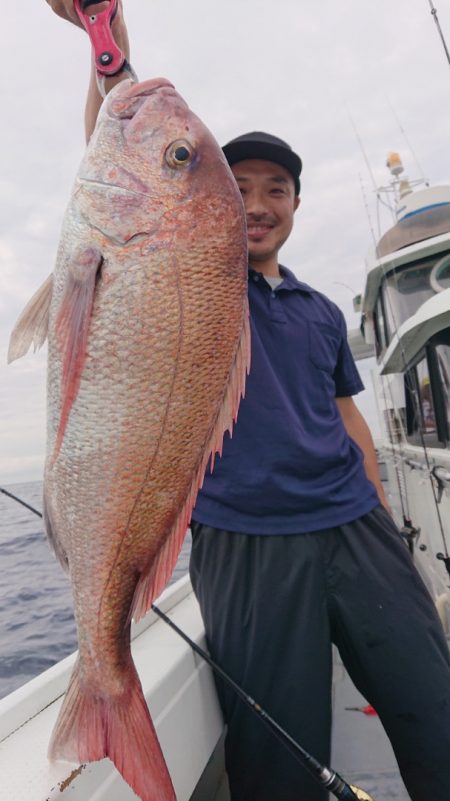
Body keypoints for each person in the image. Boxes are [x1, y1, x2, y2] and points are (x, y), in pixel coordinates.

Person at [46, 4, 450, 800]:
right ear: (216, 208)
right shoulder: (193, 281)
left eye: (278, 189)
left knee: (433, 707)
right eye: (239, 187)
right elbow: (120, 144)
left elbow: (347, 415)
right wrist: (106, 38)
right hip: (247, 543)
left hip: (355, 526)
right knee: (278, 762)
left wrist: (376, 506)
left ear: (296, 204)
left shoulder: (319, 311)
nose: (259, 203)